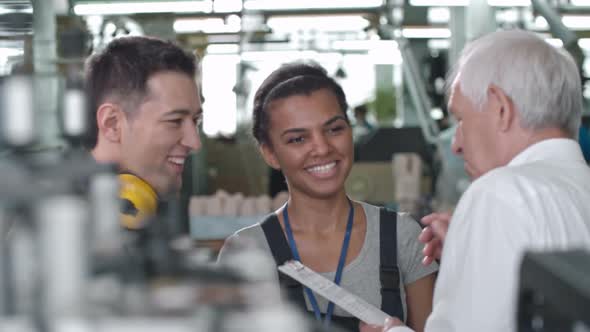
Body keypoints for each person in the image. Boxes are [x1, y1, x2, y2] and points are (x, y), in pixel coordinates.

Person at [363, 29, 590, 332]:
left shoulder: (499, 194)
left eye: (460, 119)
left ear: (500, 107)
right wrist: (468, 247)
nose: (456, 144)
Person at [217, 62, 437, 332]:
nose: (322, 148)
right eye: (298, 139)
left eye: (334, 129)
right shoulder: (246, 252)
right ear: (270, 153)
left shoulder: (401, 236)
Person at [85, 36, 202, 228]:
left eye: (196, 121)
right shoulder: (58, 231)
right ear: (112, 123)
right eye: (174, 121)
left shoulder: (144, 216)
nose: (194, 143)